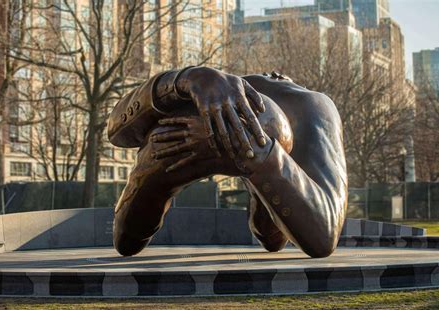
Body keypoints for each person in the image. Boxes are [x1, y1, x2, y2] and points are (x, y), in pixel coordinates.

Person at [107, 66, 348, 258]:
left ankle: (257, 157)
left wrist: (246, 147)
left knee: (270, 235)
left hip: (258, 132)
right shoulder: (307, 106)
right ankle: (259, 157)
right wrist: (187, 78)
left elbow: (319, 236)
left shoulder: (307, 107)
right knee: (271, 234)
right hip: (212, 123)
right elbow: (116, 131)